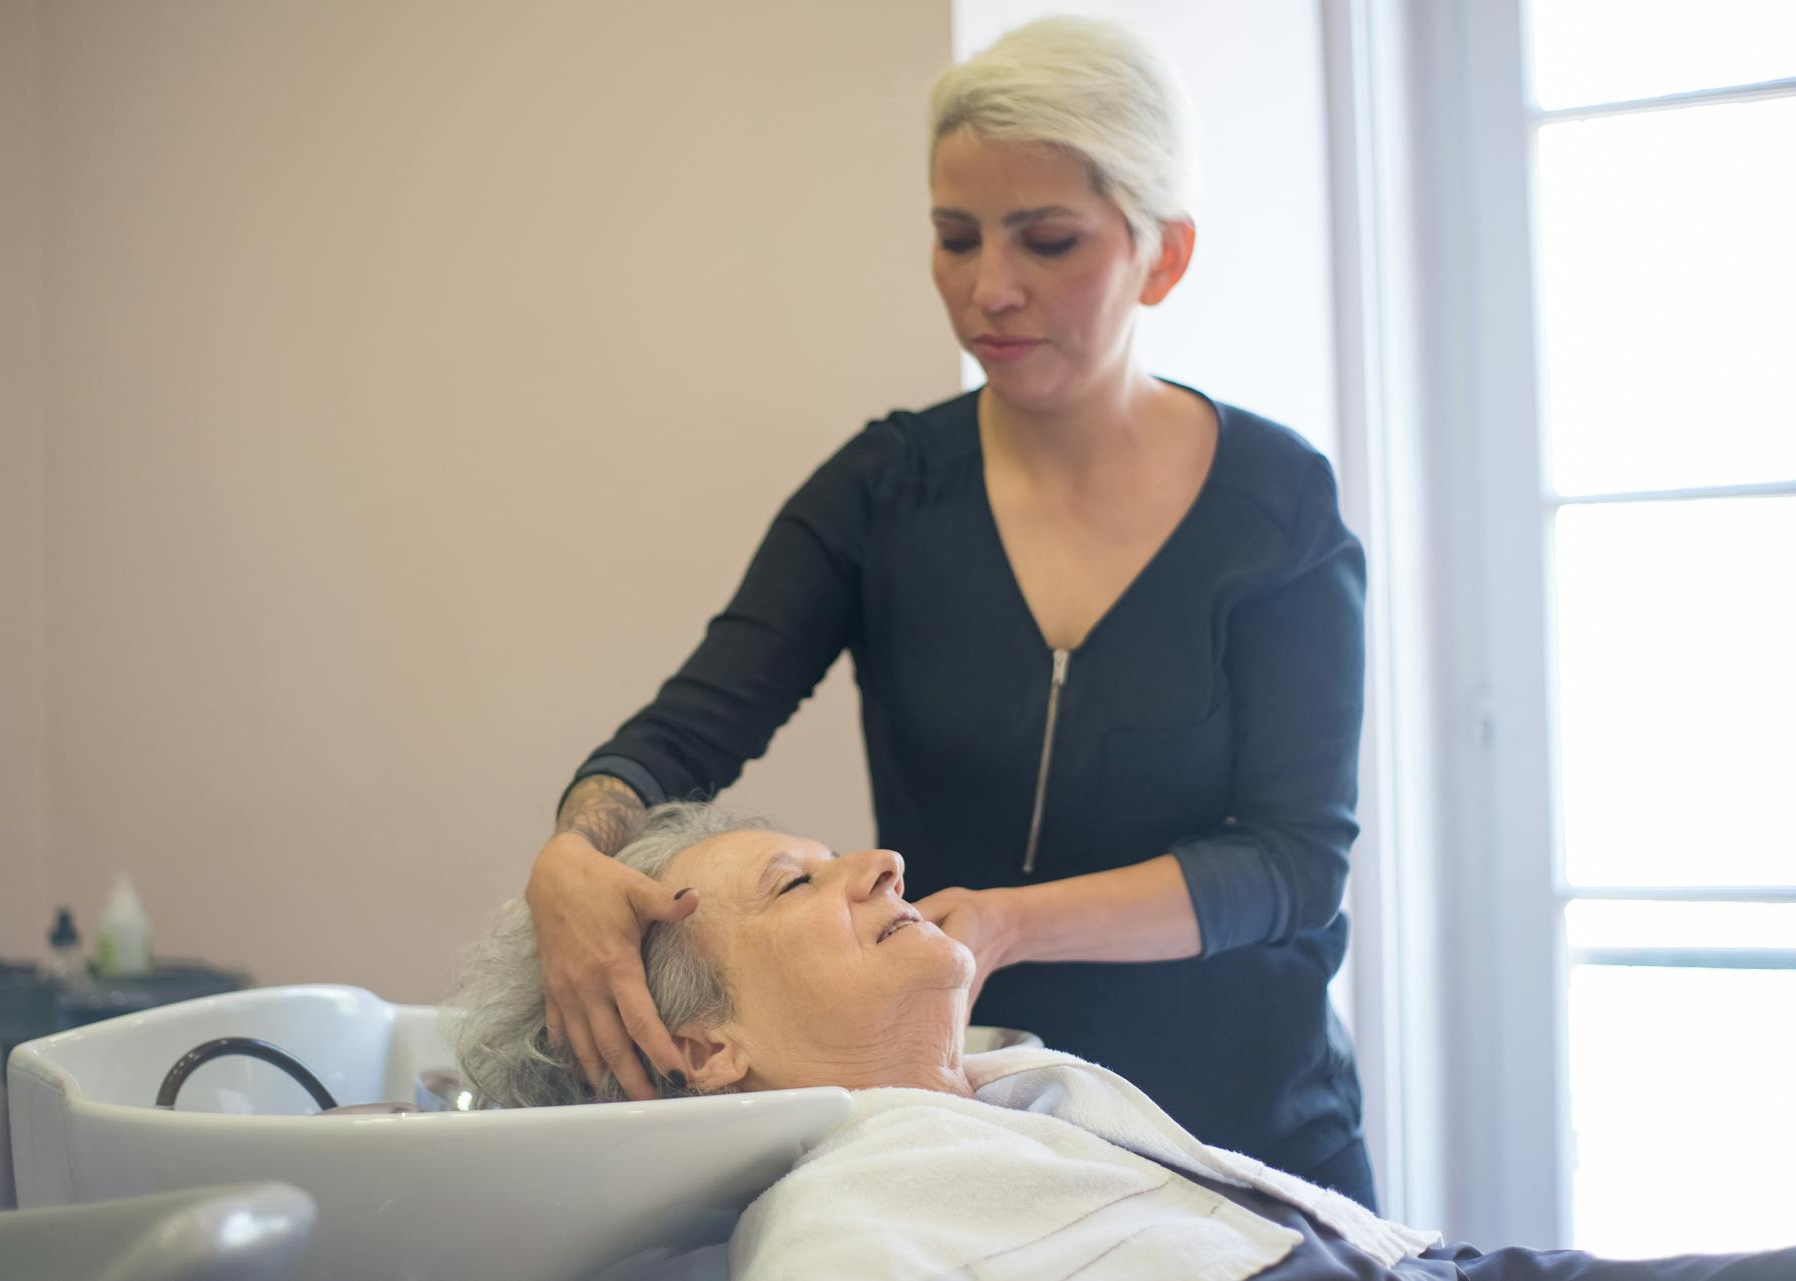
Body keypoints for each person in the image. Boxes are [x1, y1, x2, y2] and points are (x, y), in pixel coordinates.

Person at [526, 16, 1376, 1205]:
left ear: (1163, 256)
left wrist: (1011, 926)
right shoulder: (883, 495)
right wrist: (571, 853)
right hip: (984, 1139)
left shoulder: (1274, 503)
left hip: (1245, 1134)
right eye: (954, 236)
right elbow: (686, 735)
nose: (990, 289)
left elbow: (1291, 866)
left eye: (1049, 241)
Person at [455, 803, 1796, 1281]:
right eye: (798, 886)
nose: (878, 860)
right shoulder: (845, 1207)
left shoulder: (1014, 1090)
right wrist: (575, 845)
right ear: (703, 1050)